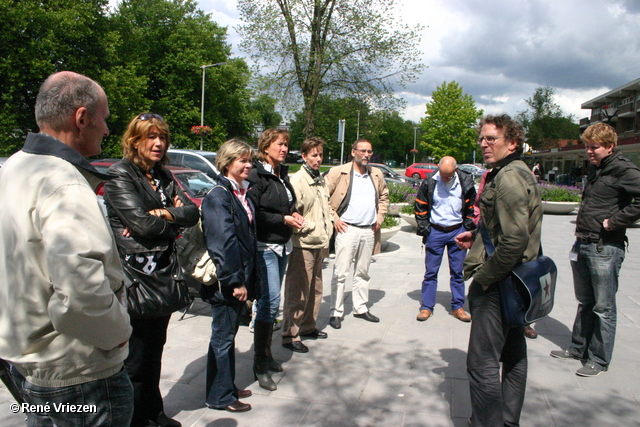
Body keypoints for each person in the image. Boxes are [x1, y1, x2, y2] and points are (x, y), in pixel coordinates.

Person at [0, 71, 133, 426]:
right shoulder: (64, 184)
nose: (107, 129)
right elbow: (80, 297)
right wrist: (120, 334)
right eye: (104, 118)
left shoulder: (14, 167)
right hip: (78, 374)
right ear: (81, 118)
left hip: (27, 363)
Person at [103, 113, 199, 427]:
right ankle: (133, 419)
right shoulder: (121, 175)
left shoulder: (162, 174)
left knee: (155, 351)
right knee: (135, 359)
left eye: (162, 138)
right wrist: (169, 220)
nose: (158, 144)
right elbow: (140, 223)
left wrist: (162, 214)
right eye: (150, 137)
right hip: (135, 278)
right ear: (134, 140)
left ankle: (153, 412)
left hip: (163, 274)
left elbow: (191, 212)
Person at [455, 114, 542, 426]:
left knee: (482, 364)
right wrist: (477, 237)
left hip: (502, 281)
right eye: (482, 138)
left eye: (492, 138)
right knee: (514, 355)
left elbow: (515, 240)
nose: (484, 144)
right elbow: (506, 229)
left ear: (513, 142)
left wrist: (484, 280)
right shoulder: (513, 170)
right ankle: (506, 421)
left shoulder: (508, 177)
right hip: (517, 280)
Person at [550, 122, 640, 376]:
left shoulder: (623, 169)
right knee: (585, 302)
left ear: (610, 146)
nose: (589, 152)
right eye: (587, 147)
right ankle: (578, 348)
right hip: (583, 243)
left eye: (594, 147)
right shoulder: (597, 168)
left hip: (605, 247)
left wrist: (615, 222)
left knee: (603, 307)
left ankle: (598, 360)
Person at [200, 139, 257, 412]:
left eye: (249, 160)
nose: (248, 165)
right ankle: (219, 396)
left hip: (238, 276)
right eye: (242, 160)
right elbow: (223, 243)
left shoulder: (237, 192)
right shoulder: (219, 195)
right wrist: (235, 282)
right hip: (226, 281)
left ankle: (225, 386)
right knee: (222, 339)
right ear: (227, 163)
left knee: (228, 336)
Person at [247, 128, 304, 390]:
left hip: (282, 245)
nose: (284, 149)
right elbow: (254, 212)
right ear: (266, 146)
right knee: (269, 303)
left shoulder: (281, 173)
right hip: (265, 246)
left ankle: (267, 355)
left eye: (286, 145)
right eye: (279, 144)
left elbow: (287, 204)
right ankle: (259, 363)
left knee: (273, 302)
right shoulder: (257, 175)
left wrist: (294, 214)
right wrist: (283, 219)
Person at [325, 139, 389, 329]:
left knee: (362, 273)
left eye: (369, 151)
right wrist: (335, 219)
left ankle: (360, 308)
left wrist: (379, 218)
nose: (366, 155)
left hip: (369, 230)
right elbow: (322, 196)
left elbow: (384, 196)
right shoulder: (339, 172)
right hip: (347, 229)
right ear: (353, 152)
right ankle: (335, 312)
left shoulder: (375, 174)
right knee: (341, 273)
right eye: (362, 151)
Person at [281, 137, 333, 353]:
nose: (318, 159)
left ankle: (308, 326)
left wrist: (327, 226)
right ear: (303, 156)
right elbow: (291, 213)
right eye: (314, 155)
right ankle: (289, 334)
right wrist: (310, 226)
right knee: (298, 291)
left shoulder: (320, 179)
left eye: (320, 154)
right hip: (303, 243)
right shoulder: (298, 181)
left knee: (315, 288)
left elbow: (326, 206)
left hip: (319, 243)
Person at [414, 156, 476, 322]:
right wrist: (425, 228)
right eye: (442, 174)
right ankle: (426, 307)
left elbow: (472, 207)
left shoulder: (465, 182)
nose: (445, 178)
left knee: (457, 272)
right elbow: (420, 206)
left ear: (456, 170)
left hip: (458, 231)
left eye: (448, 175)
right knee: (431, 272)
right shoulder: (430, 181)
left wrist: (468, 228)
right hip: (435, 232)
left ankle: (458, 306)